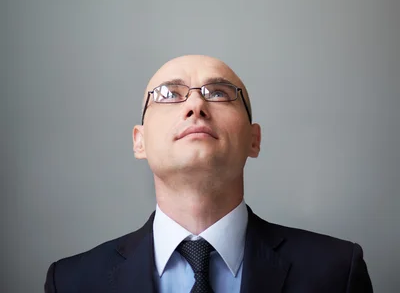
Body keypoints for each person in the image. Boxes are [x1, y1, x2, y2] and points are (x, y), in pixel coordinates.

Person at [45, 54, 373, 292]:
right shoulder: (73, 282)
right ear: (139, 141)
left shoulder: (336, 271)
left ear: (254, 140)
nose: (196, 106)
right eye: (169, 94)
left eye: (217, 93)